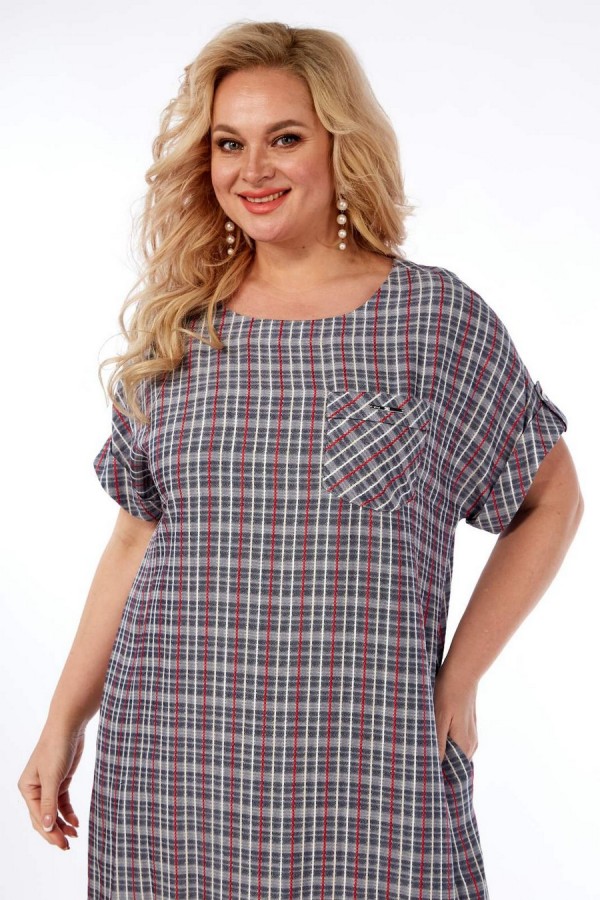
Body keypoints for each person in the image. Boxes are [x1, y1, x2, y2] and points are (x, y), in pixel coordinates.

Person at [18, 20, 583, 900]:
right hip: (171, 765)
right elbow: (135, 539)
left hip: (367, 768)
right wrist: (63, 721)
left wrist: (459, 680)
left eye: (284, 138)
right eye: (228, 144)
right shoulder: (182, 331)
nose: (253, 169)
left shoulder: (432, 322)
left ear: (338, 144)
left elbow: (553, 500)